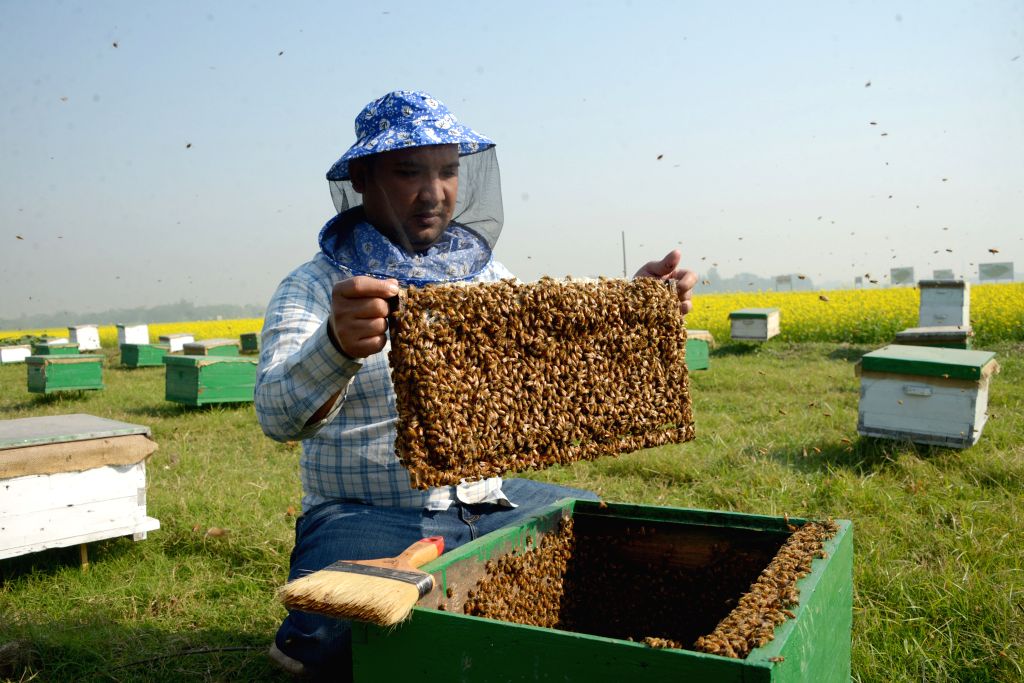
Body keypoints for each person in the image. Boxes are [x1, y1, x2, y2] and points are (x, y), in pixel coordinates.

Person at [255, 90, 697, 680]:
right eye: (409, 172)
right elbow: (276, 414)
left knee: (599, 534)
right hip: (367, 515)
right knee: (333, 634)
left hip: (490, 504)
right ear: (363, 178)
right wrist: (335, 345)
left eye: (449, 171)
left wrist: (629, 309)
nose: (434, 193)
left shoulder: (487, 276)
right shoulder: (312, 287)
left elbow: (547, 369)